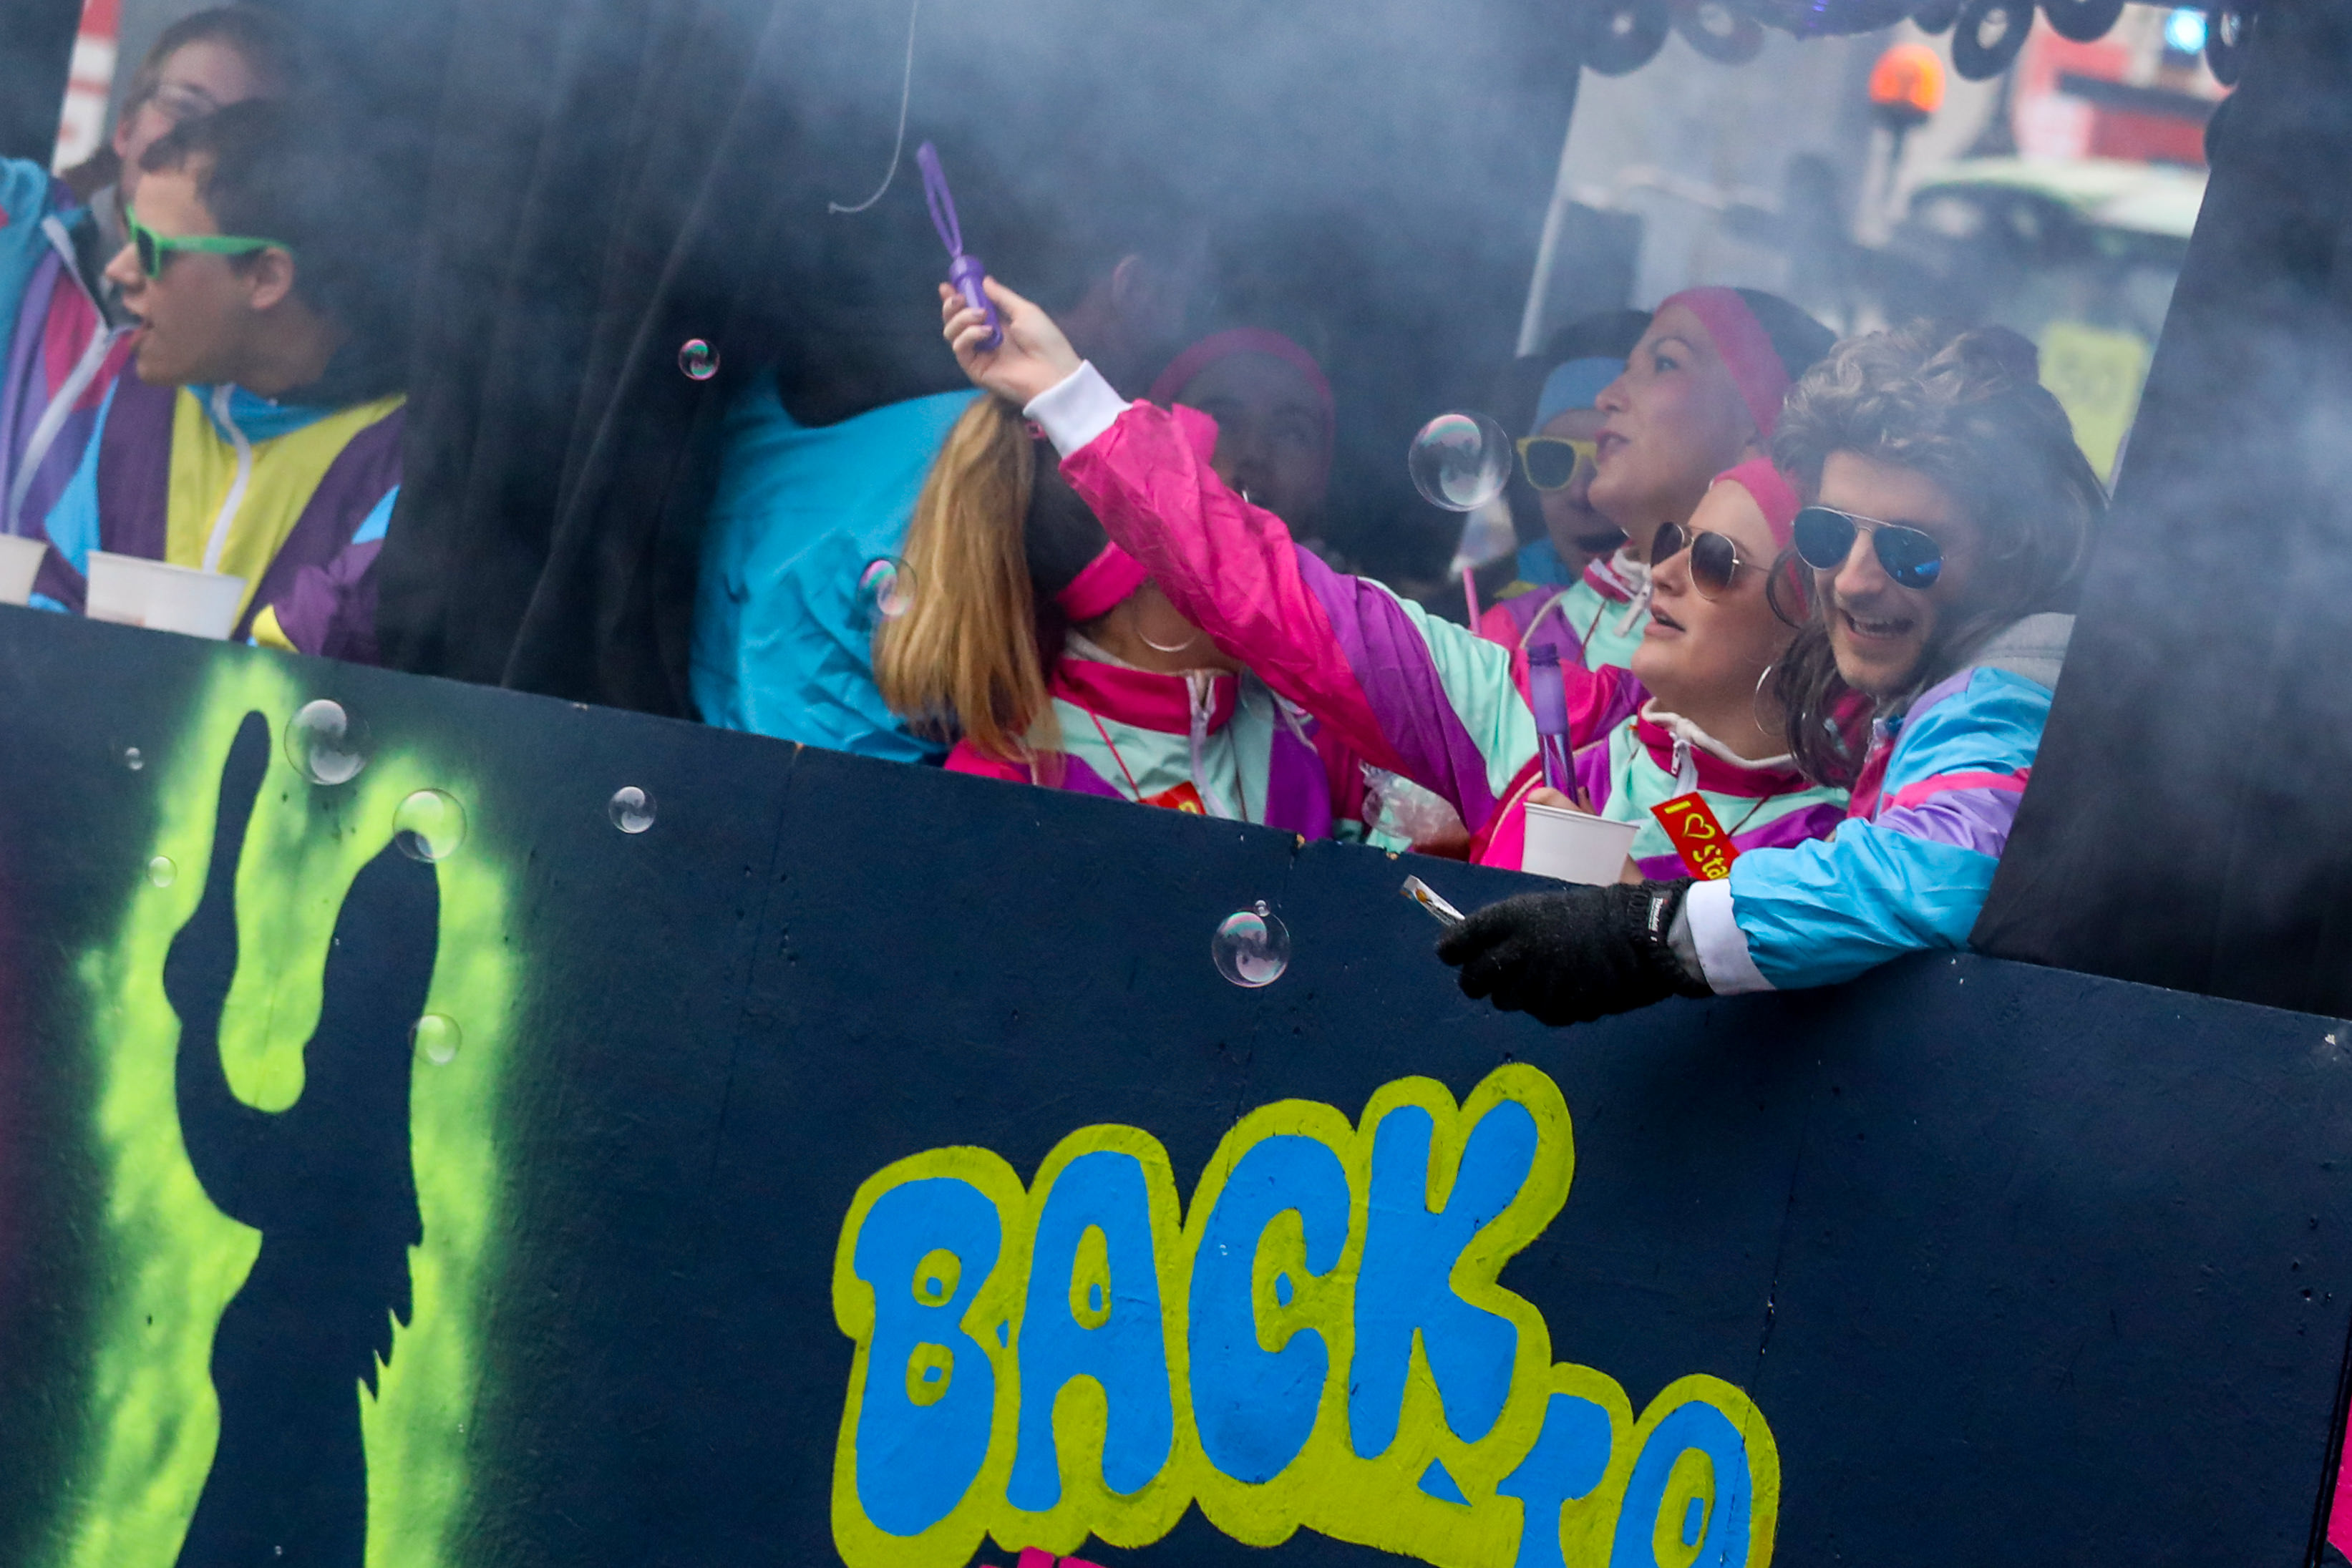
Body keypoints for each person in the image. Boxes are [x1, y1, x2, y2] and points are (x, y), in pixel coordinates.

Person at [933, 280, 1847, 876]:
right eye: (1672, 545)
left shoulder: (1836, 846)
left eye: (1715, 560)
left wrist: (1645, 929)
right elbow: (1283, 598)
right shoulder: (1560, 721)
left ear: (1811, 614)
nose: (1667, 576)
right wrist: (1074, 400)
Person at [1435, 324, 2102, 1023]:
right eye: (1828, 534)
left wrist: (1648, 932)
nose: (1853, 579)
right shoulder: (1938, 692)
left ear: (2012, 551)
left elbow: (1925, 879)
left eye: (1911, 549)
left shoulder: (2010, 691)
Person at [689, 211, 1200, 764]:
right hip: (868, 796)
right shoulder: (1021, 458)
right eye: (1189, 300)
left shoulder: (768, 397)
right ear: (1136, 290)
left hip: (707, 762)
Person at [33, 100, 408, 661]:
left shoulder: (403, 449)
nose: (119, 270)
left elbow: (315, 668)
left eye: (152, 249)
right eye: (129, 234)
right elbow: (57, 600)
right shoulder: (144, 395)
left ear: (266, 276)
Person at [873, 394, 1346, 835]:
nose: (1266, 541)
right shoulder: (1007, 791)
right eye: (1223, 528)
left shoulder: (1313, 719)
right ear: (1152, 582)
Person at [0, 6, 302, 565]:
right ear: (124, 125)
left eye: (232, 133)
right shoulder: (20, 220)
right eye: (184, 107)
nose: (195, 141)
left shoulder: (236, 345)